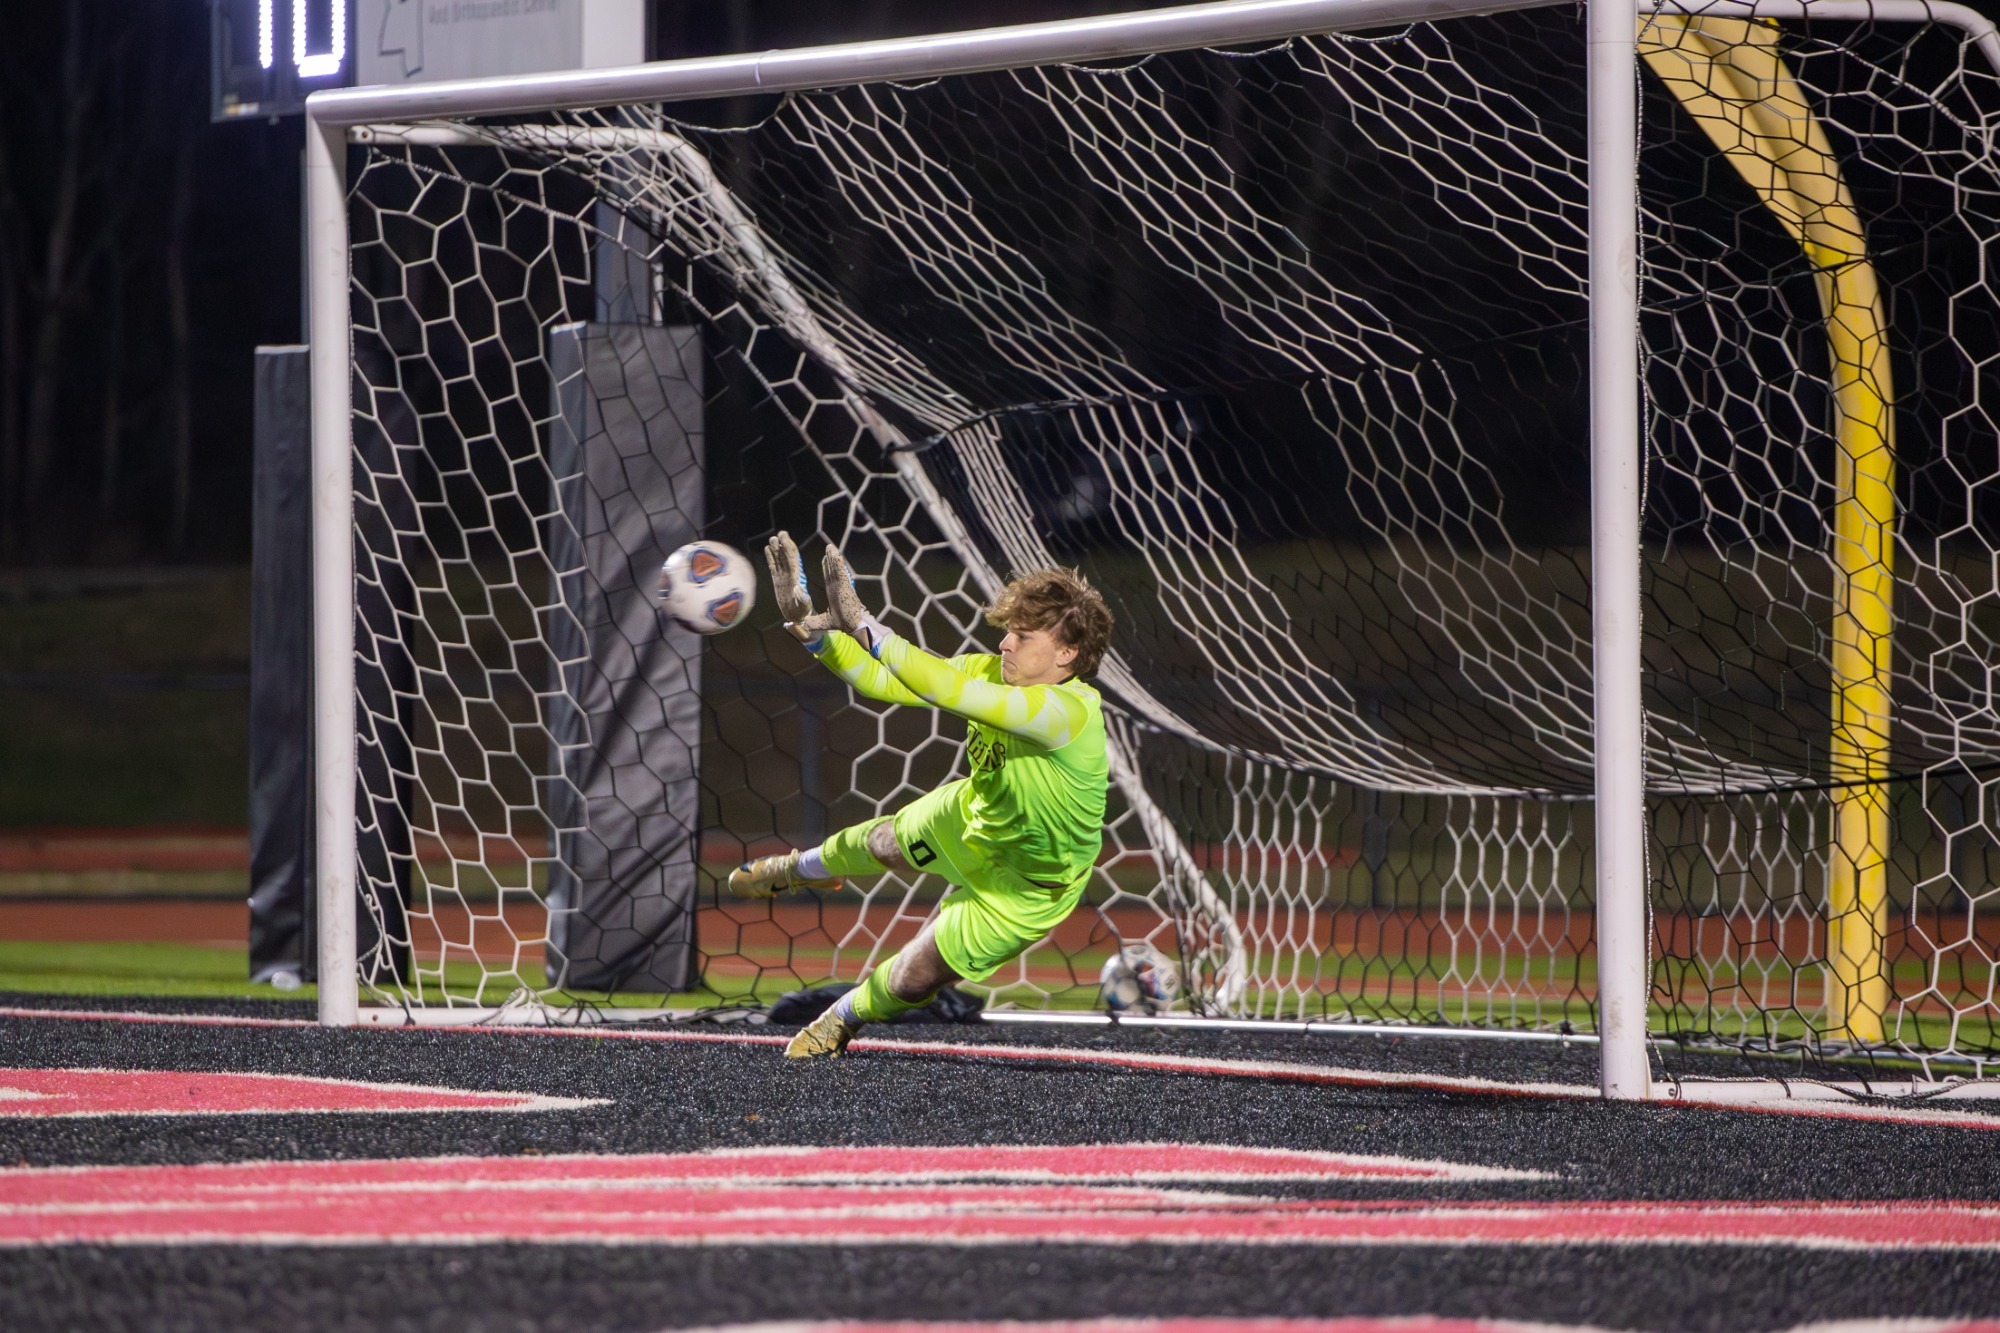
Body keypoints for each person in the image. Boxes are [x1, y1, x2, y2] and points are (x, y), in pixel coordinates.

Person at [732, 533, 1115, 1059]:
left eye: (1023, 637)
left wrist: (870, 626)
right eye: (1009, 633)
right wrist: (810, 631)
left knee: (915, 981)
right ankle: (798, 869)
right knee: (884, 841)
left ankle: (839, 1018)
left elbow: (946, 690)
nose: (1005, 643)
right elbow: (881, 680)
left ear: (1068, 652)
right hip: (974, 814)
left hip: (1028, 888)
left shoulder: (1068, 713)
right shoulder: (989, 670)